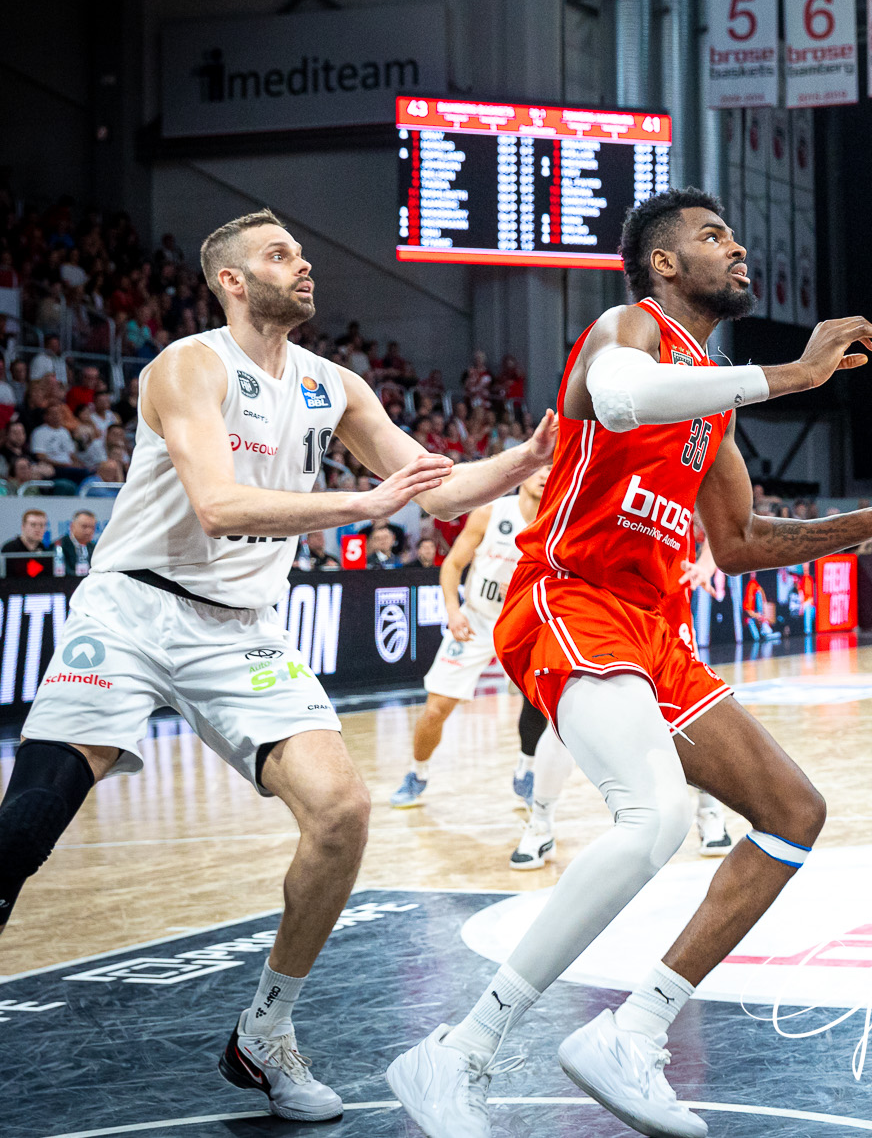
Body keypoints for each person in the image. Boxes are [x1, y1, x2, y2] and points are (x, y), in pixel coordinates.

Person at [385, 186, 872, 1138]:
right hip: (571, 594)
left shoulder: (710, 401)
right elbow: (623, 397)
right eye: (715, 236)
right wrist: (790, 375)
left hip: (653, 628)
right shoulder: (628, 328)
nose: (738, 246)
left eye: (734, 233)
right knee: (656, 813)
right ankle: (458, 1051)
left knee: (794, 812)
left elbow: (741, 539)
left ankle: (637, 1030)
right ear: (667, 263)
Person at [0, 208, 555, 1121]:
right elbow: (218, 506)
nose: (302, 265)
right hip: (135, 607)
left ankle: (264, 1034)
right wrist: (362, 504)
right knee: (28, 824)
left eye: (301, 251)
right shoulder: (189, 365)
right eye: (278, 254)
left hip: (244, 628)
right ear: (229, 279)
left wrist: (517, 460)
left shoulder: (330, 385)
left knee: (342, 811)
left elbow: (434, 483)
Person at [391, 470, 548, 816]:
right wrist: (452, 609)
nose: (545, 474)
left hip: (524, 625)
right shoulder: (491, 513)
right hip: (476, 620)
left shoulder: (558, 519)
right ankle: (417, 773)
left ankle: (526, 769)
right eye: (540, 467)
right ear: (524, 474)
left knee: (540, 701)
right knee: (435, 710)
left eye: (553, 469)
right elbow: (453, 564)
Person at [2, 508, 51, 576]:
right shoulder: (10, 550)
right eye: (33, 525)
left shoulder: (46, 551)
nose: (38, 529)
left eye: (42, 525)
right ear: (23, 526)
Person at [53, 508, 95, 576]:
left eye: (92, 527)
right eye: (84, 526)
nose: (89, 531)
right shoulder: (59, 546)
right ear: (72, 526)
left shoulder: (94, 548)